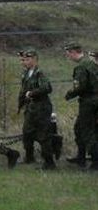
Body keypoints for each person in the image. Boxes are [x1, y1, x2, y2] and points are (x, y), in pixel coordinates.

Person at [17, 49, 55, 169]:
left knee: (44, 135)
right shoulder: (26, 73)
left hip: (41, 108)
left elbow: (47, 88)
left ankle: (49, 162)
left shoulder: (39, 73)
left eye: (27, 59)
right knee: (27, 133)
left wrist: (32, 93)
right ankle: (29, 156)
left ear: (34, 60)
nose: (25, 62)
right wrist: (21, 103)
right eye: (24, 59)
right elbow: (23, 90)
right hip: (31, 108)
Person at [63, 42, 98, 170]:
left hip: (89, 103)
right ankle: (81, 157)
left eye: (68, 54)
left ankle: (95, 162)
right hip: (94, 101)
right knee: (79, 128)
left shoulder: (81, 67)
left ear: (73, 52)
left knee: (88, 131)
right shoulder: (91, 63)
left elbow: (80, 87)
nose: (68, 57)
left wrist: (69, 94)